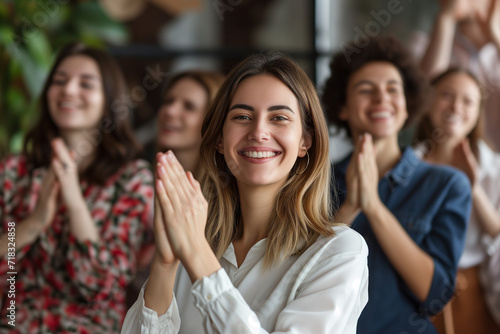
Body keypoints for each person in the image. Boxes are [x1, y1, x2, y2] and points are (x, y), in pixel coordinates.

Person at [121, 52, 369, 333]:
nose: (259, 131)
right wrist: (164, 265)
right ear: (218, 140)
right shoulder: (193, 243)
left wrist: (197, 256)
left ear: (305, 141)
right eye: (242, 116)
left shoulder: (338, 251)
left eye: (278, 117)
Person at [0, 42, 154, 333]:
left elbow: (102, 288)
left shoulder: (132, 180)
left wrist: (73, 199)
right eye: (59, 81)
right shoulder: (14, 171)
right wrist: (34, 223)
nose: (69, 90)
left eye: (86, 83)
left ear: (108, 98)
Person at [322, 36, 471, 334]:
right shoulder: (318, 182)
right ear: (343, 108)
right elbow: (302, 278)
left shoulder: (446, 184)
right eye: (366, 89)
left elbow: (435, 297)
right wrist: (350, 207)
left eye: (393, 89)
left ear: (406, 106)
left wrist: (374, 208)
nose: (381, 99)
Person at [127, 70, 225, 307]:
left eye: (189, 106)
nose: (170, 111)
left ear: (214, 120)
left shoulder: (226, 197)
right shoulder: (138, 180)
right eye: (168, 101)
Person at [414, 68, 500, 333]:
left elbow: (497, 231)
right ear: (428, 102)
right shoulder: (407, 166)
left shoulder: (493, 168)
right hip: (415, 285)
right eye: (446, 95)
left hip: (474, 291)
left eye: (468, 101)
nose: (456, 107)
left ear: (478, 112)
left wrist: (471, 186)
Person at [415, 0, 500, 151]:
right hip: (439, 157)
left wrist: (496, 37)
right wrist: (446, 19)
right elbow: (427, 94)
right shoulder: (425, 44)